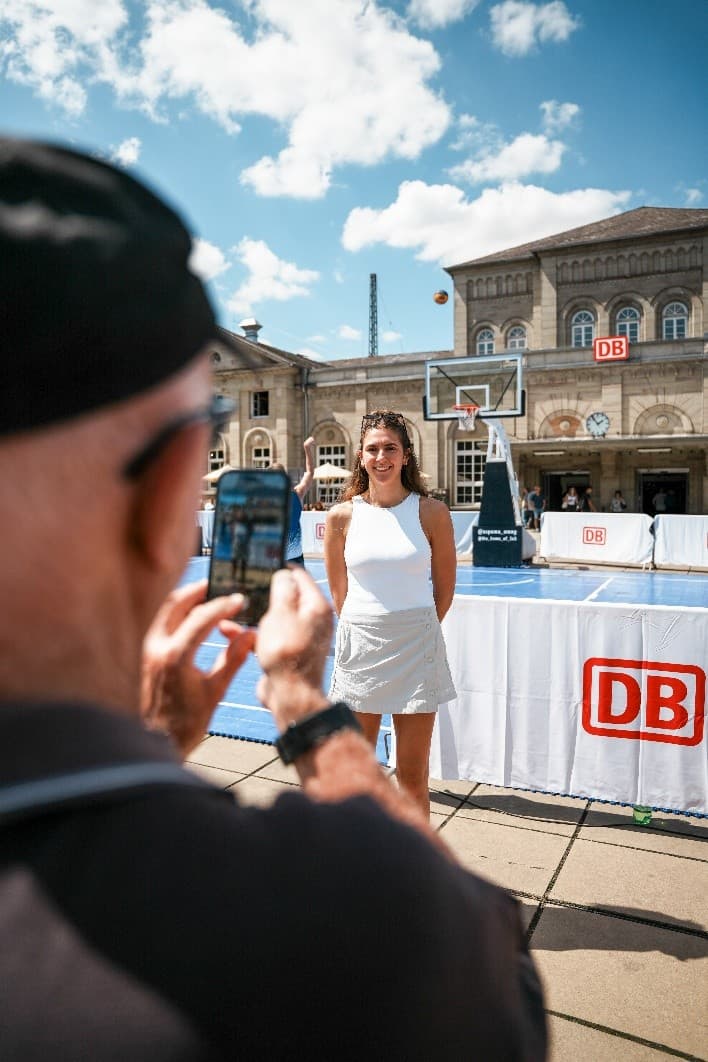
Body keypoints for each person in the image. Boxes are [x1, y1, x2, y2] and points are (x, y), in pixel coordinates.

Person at [0, 138, 546, 1060]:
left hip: (404, 642)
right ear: (183, 478)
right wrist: (301, 703)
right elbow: (493, 994)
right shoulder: (338, 923)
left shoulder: (426, 511)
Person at [324, 410, 457, 818]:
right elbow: (339, 594)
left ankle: (418, 871)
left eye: (390, 448)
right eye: (373, 449)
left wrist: (415, 626)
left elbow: (445, 590)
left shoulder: (432, 513)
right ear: (360, 456)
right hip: (361, 646)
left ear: (405, 455)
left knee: (412, 776)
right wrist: (365, 626)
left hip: (416, 646)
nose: (381, 457)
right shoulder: (341, 517)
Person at [270, 436, 315, 565]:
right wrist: (307, 449)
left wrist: (307, 448)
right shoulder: (296, 493)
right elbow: (310, 473)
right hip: (287, 557)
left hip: (285, 557)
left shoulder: (295, 493)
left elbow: (310, 473)